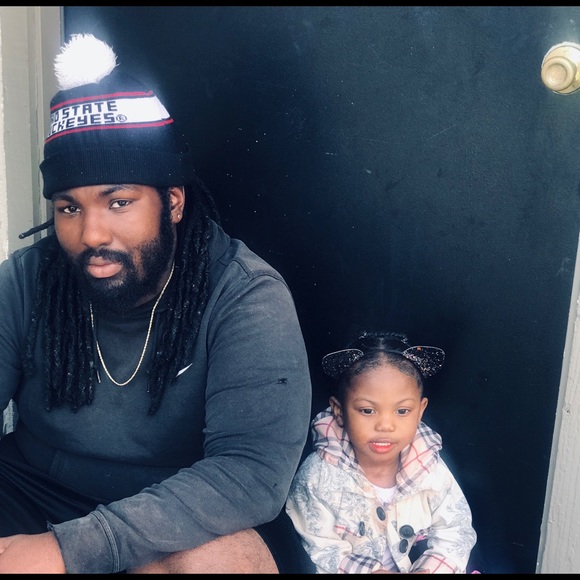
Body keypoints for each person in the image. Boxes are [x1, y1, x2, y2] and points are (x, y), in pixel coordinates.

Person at [0, 33, 314, 574]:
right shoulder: (30, 278)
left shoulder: (244, 295)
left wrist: (69, 550)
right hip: (33, 488)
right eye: (70, 208)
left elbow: (250, 473)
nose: (91, 234)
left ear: (172, 201)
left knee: (224, 564)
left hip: (176, 512)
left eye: (118, 202)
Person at [285, 330, 477, 574]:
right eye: (367, 411)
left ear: (420, 411)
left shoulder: (429, 468)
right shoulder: (317, 478)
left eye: (402, 411)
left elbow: (455, 531)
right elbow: (318, 547)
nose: (385, 425)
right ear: (339, 411)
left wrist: (428, 570)